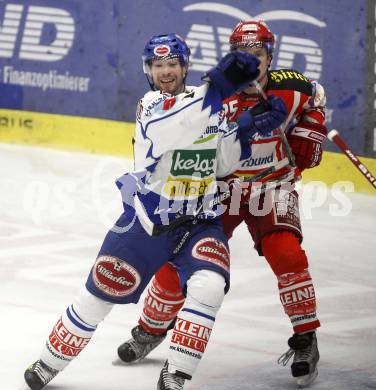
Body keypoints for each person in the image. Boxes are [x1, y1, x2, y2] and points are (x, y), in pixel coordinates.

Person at [23, 33, 287, 390]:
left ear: (184, 67)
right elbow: (176, 125)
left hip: (200, 221)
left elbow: (222, 165)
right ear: (148, 70)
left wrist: (245, 129)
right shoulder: (151, 106)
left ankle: (176, 373)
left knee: (209, 287)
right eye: (158, 65)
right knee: (97, 297)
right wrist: (216, 88)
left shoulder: (210, 105)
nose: (165, 71)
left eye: (172, 64)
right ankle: (49, 362)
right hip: (148, 222)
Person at [116, 21, 327, 388]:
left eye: (257, 56)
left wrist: (312, 128)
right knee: (181, 260)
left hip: (273, 187)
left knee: (287, 255)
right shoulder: (213, 96)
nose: (251, 62)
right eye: (242, 56)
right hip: (221, 191)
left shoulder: (294, 87)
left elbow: (317, 98)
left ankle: (306, 339)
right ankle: (151, 328)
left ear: (269, 57)